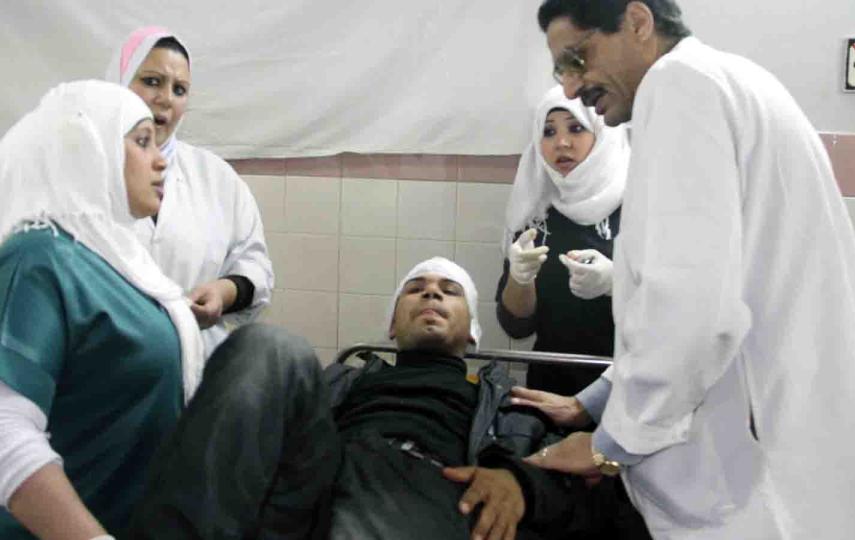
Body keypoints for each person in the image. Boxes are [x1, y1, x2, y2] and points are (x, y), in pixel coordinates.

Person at [527, 1, 855, 538]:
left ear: (637, 22)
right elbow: (701, 293)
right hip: (786, 447)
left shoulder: (677, 88)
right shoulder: (730, 80)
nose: (569, 88)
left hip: (749, 485)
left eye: (578, 58)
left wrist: (607, 447)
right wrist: (595, 401)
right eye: (560, 70)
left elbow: (690, 310)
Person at [128, 258, 589, 540]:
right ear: (392, 326)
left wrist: (520, 482)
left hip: (436, 491)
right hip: (323, 480)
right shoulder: (343, 378)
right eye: (416, 288)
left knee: (381, 481)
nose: (431, 292)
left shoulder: (511, 403)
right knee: (269, 345)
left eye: (449, 292)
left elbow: (574, 487)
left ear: (472, 332)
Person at [0, 80, 203, 539]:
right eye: (141, 141)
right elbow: (4, 429)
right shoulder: (40, 256)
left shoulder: (120, 260)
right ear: (88, 148)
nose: (160, 159)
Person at [497, 88, 646, 539]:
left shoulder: (640, 207)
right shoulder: (536, 213)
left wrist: (616, 283)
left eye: (576, 128)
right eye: (548, 132)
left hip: (628, 390)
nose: (560, 144)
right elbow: (516, 325)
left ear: (603, 134)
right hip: (551, 386)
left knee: (623, 517)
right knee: (557, 517)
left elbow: (676, 315)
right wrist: (520, 281)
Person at [106, 26, 274, 357]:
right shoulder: (78, 175)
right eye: (151, 81)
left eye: (179, 89)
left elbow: (254, 264)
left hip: (195, 365)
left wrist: (223, 293)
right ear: (118, 83)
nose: (165, 98)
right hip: (102, 368)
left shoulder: (216, 178)